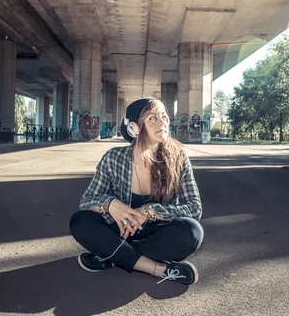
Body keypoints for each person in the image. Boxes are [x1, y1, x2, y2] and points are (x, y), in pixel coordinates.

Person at [69, 98, 204, 285]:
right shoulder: (113, 158)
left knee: (192, 231)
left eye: (164, 116)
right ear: (134, 128)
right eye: (152, 118)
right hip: (119, 231)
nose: (162, 122)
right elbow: (87, 200)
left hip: (155, 233)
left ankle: (111, 254)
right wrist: (111, 205)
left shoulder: (179, 158)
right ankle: (158, 269)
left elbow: (194, 208)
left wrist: (151, 211)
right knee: (80, 221)